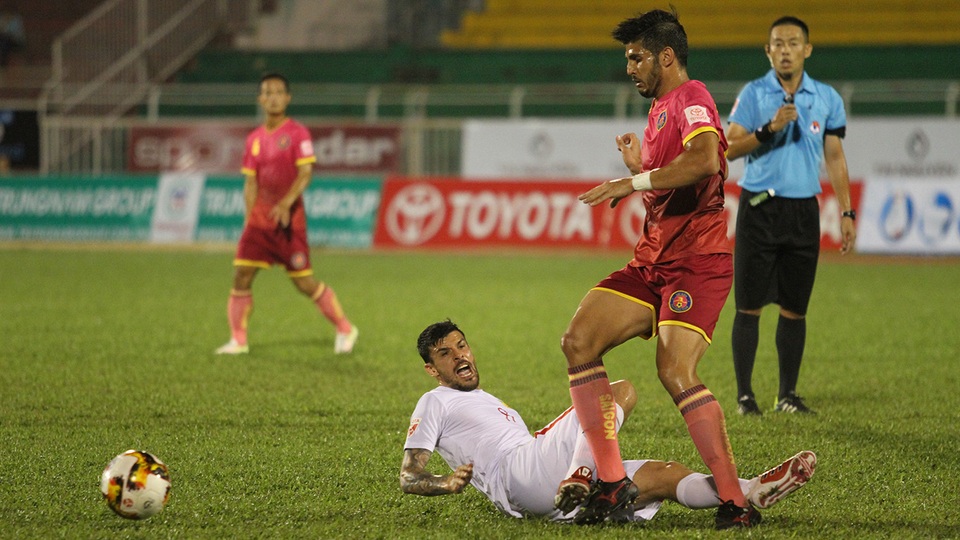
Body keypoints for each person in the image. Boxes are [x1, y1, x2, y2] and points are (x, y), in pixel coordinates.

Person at [562, 9, 756, 528]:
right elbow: (672, 177)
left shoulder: (692, 97)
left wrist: (632, 181)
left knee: (674, 371)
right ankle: (611, 485)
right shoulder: (659, 110)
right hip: (652, 261)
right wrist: (640, 167)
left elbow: (706, 161)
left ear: (665, 57)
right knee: (578, 342)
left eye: (636, 57)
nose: (629, 68)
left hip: (696, 263)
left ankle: (735, 502)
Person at [400, 320, 816, 525]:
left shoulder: (483, 400)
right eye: (445, 354)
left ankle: (750, 491)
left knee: (666, 475)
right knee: (616, 392)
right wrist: (444, 482)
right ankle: (581, 473)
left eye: (461, 345)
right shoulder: (434, 400)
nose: (460, 356)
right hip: (522, 470)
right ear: (431, 370)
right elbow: (409, 476)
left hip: (542, 495)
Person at [725, 16, 856, 416]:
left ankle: (787, 396)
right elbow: (729, 148)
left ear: (807, 49)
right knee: (748, 306)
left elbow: (835, 157)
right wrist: (768, 128)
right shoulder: (753, 93)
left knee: (795, 308)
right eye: (778, 44)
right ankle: (745, 397)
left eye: (793, 43)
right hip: (759, 208)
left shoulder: (827, 97)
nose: (785, 50)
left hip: (803, 210)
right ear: (768, 51)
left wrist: (847, 210)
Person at [215, 72, 358, 356]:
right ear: (260, 99)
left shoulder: (297, 133)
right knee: (241, 275)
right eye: (268, 92)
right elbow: (251, 182)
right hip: (259, 222)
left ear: (288, 98)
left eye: (279, 92)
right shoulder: (254, 139)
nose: (274, 98)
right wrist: (248, 218)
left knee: (304, 282)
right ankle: (238, 340)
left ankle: (345, 328)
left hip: (289, 223)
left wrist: (285, 203)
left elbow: (305, 173)